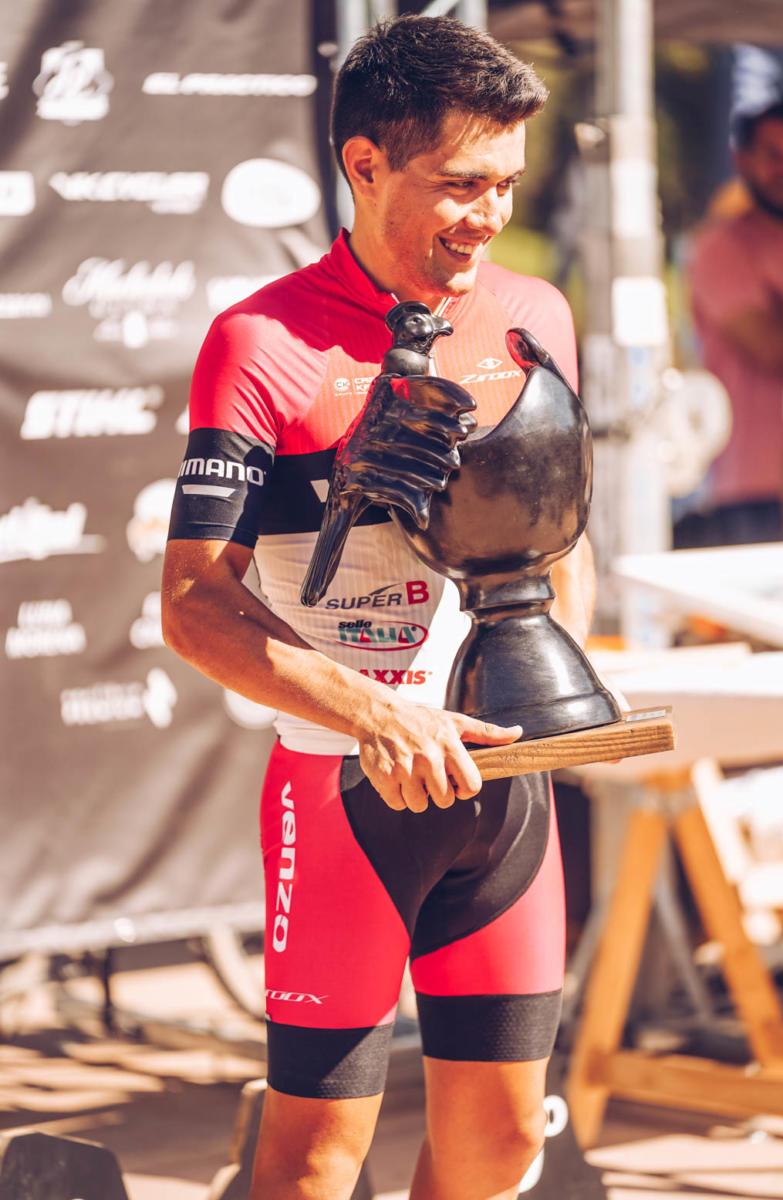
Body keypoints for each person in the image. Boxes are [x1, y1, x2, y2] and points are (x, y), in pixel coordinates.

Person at [162, 16, 595, 1200]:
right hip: (342, 787)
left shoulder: (534, 313)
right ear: (364, 163)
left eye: (504, 183)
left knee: (503, 1141)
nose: (487, 215)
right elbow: (194, 605)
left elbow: (560, 534)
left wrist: (573, 668)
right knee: (312, 1162)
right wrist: (376, 714)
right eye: (458, 183)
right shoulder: (261, 340)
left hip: (501, 785)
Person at [681, 95, 783, 548]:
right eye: (774, 154)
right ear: (743, 160)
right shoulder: (721, 248)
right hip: (754, 491)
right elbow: (775, 350)